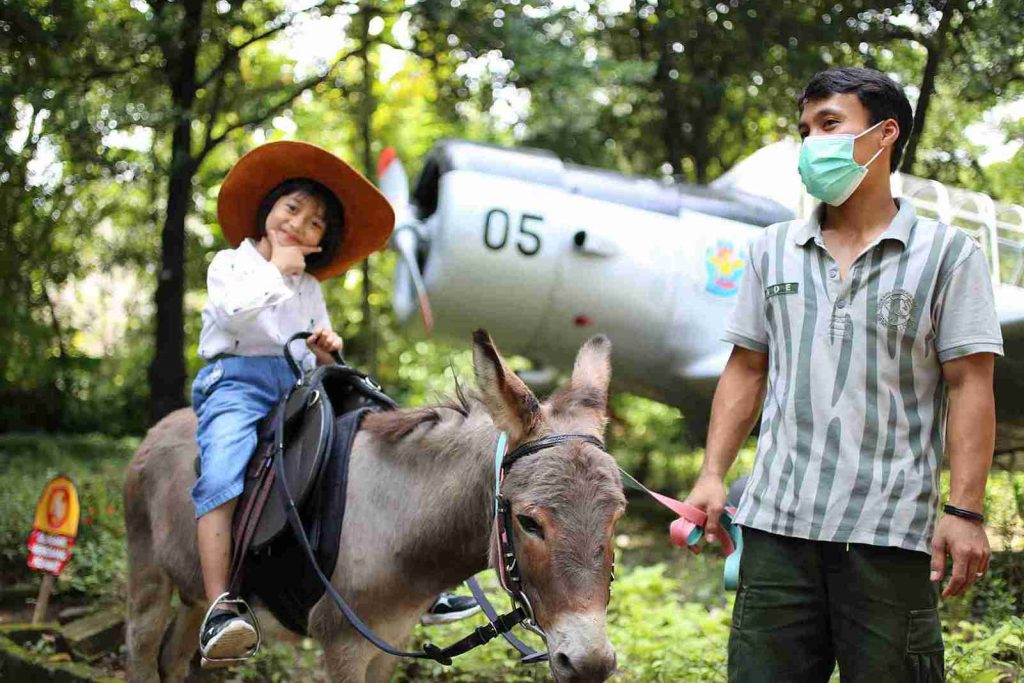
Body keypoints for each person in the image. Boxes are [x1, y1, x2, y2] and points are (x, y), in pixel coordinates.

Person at [685, 67, 1002, 682]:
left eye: (830, 125)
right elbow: (747, 368)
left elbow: (970, 385)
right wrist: (712, 475)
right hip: (776, 531)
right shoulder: (770, 249)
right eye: (805, 130)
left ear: (884, 136)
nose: (811, 144)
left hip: (889, 537)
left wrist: (964, 514)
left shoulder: (949, 256)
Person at [192, 141, 477, 666]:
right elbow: (233, 314)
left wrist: (326, 355)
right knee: (223, 468)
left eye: (316, 223)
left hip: (294, 386)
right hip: (235, 383)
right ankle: (220, 605)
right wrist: (277, 269)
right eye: (292, 208)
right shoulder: (231, 263)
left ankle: (422, 584)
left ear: (324, 242)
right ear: (269, 210)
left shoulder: (309, 287)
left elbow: (308, 356)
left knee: (366, 438)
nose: (299, 224)